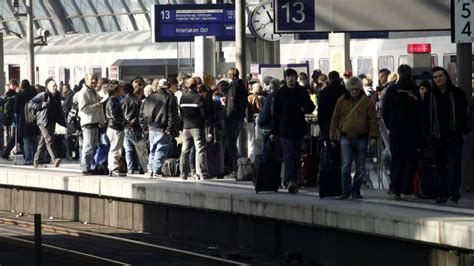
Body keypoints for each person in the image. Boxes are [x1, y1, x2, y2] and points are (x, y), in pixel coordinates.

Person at [329, 76, 378, 199]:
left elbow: (373, 120)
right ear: (348, 89)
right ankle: (346, 190)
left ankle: (355, 190)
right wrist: (333, 137)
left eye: (357, 89)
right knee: (346, 165)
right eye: (352, 89)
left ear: (361, 88)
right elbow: (335, 119)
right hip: (346, 136)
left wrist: (374, 136)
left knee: (360, 167)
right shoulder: (342, 100)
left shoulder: (366, 101)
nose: (355, 91)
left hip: (362, 137)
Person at [424, 66, 468, 204]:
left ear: (446, 77)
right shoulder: (430, 95)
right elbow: (424, 116)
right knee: (439, 166)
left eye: (440, 76)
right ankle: (442, 193)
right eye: (435, 77)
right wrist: (427, 134)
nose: (438, 79)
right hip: (436, 137)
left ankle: (454, 193)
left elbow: (464, 113)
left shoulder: (457, 93)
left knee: (454, 166)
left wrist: (463, 130)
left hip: (453, 136)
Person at [271, 69, 315, 193]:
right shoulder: (280, 93)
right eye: (288, 77)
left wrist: (303, 108)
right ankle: (290, 181)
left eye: (292, 77)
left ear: (296, 78)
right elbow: (276, 114)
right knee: (289, 155)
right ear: (285, 79)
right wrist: (274, 132)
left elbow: (311, 106)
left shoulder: (302, 92)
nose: (290, 79)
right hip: (284, 130)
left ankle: (294, 179)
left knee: (296, 156)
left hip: (299, 129)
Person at [383, 65, 422, 200]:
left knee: (397, 161)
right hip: (412, 132)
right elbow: (421, 112)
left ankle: (396, 189)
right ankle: (407, 189)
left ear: (398, 74)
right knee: (410, 160)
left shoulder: (392, 90)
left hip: (396, 131)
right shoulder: (415, 90)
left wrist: (391, 126)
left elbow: (385, 112)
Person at [140, 78, 178, 177]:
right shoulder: (170, 98)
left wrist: (145, 126)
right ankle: (156, 170)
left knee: (152, 148)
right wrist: (170, 128)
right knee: (161, 148)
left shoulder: (150, 97)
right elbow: (172, 114)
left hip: (151, 126)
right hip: (163, 127)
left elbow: (143, 113)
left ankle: (150, 169)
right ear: (168, 87)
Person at [29, 78, 66, 168]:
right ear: (48, 87)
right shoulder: (43, 95)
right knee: (49, 139)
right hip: (43, 121)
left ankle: (37, 161)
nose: (55, 87)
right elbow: (30, 103)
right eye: (53, 86)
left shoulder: (57, 96)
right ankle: (55, 159)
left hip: (52, 121)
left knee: (43, 141)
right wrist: (40, 105)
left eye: (56, 85)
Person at [179, 78, 209, 180]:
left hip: (186, 127)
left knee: (185, 150)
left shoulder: (183, 98)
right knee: (200, 150)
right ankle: (202, 173)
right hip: (197, 127)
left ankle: (183, 173)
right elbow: (204, 114)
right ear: (196, 86)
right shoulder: (198, 98)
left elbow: (181, 113)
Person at [76, 73, 104, 175]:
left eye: (95, 79)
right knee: (87, 147)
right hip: (87, 123)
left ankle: (92, 166)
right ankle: (85, 168)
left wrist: (101, 120)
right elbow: (83, 108)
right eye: (91, 79)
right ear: (86, 80)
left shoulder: (94, 92)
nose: (94, 81)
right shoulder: (83, 93)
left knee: (94, 146)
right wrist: (95, 105)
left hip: (95, 122)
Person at [223, 68, 248, 177]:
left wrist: (227, 114)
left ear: (231, 75)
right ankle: (239, 167)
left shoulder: (233, 86)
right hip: (240, 118)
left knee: (231, 144)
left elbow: (232, 103)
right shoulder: (243, 86)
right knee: (232, 143)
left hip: (232, 118)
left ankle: (237, 168)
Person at [14, 79, 39, 165]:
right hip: (34, 120)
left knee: (26, 141)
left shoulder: (19, 96)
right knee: (34, 141)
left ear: (22, 86)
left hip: (23, 121)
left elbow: (16, 110)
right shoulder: (35, 95)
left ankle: (29, 159)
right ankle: (36, 158)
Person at [317, 71, 346, 141]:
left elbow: (321, 109)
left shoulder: (324, 92)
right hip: (343, 123)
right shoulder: (345, 92)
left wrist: (321, 124)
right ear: (339, 78)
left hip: (328, 123)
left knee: (330, 147)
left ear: (329, 79)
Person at [105, 83, 127, 177]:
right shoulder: (113, 102)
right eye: (121, 89)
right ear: (116, 90)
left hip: (114, 127)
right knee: (115, 149)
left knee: (115, 148)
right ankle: (113, 168)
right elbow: (114, 117)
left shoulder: (113, 101)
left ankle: (112, 167)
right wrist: (123, 122)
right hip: (115, 128)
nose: (122, 91)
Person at [122, 83, 143, 174]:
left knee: (128, 149)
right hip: (136, 126)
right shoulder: (138, 101)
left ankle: (130, 168)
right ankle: (141, 166)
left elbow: (121, 114)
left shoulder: (123, 101)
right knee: (138, 148)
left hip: (126, 127)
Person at [60, 83, 75, 160]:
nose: (63, 90)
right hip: (66, 117)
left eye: (64, 88)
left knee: (68, 136)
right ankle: (68, 154)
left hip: (69, 118)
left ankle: (69, 154)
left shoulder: (71, 95)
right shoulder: (63, 96)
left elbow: (68, 106)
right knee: (67, 136)